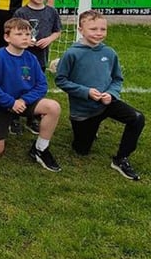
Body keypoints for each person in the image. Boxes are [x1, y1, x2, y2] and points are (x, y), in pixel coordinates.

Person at [55, 10, 145, 181]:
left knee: (137, 118)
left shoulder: (109, 53)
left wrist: (111, 93)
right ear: (81, 29)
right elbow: (61, 80)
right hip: (84, 110)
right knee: (81, 150)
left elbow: (117, 78)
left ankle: (121, 159)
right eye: (93, 29)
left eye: (102, 29)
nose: (98, 33)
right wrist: (86, 92)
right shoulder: (72, 54)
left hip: (107, 103)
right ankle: (88, 129)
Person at [0, 18, 62, 172]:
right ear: (7, 37)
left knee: (53, 107)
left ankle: (40, 149)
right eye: (19, 34)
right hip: (0, 105)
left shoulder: (31, 58)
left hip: (23, 103)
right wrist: (11, 103)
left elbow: (41, 85)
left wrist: (24, 100)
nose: (25, 37)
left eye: (27, 34)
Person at [13, 0, 61, 71]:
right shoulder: (21, 13)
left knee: (39, 81)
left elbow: (57, 31)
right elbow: (13, 34)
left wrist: (49, 39)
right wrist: (25, 40)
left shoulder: (52, 12)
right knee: (24, 80)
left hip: (42, 57)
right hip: (23, 56)